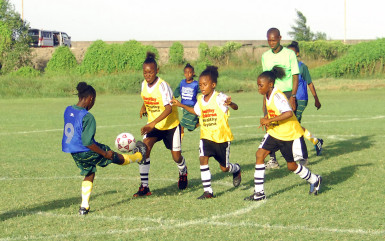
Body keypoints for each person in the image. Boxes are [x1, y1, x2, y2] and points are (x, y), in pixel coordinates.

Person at [62, 82, 147, 215]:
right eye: (94, 100)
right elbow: (88, 142)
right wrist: (104, 153)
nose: (93, 103)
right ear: (90, 98)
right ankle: (138, 156)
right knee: (111, 154)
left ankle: (84, 207)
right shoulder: (88, 117)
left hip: (73, 151)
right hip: (85, 149)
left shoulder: (68, 109)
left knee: (89, 172)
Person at [244, 67, 322, 201]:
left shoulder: (278, 96)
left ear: (270, 85)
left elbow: (288, 113)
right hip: (275, 133)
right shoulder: (267, 95)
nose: (258, 88)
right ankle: (259, 192)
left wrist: (269, 120)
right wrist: (268, 122)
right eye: (257, 85)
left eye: (261, 85)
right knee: (260, 155)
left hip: (288, 134)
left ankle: (315, 179)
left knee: (291, 166)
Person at [171, 66, 242, 199]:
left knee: (224, 168)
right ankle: (208, 191)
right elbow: (196, 111)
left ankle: (236, 169)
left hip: (221, 138)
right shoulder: (200, 100)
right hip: (206, 137)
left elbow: (235, 107)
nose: (202, 87)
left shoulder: (220, 97)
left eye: (205, 84)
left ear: (213, 85)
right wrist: (181, 105)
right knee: (203, 159)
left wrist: (230, 104)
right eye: (201, 85)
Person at [261, 27, 322, 169]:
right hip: (271, 95)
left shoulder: (289, 54)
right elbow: (265, 79)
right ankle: (273, 160)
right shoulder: (265, 56)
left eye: (274, 40)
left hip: (287, 94)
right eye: (269, 40)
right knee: (269, 125)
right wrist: (265, 99)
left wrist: (293, 96)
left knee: (293, 125)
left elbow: (295, 76)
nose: (271, 42)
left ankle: (303, 157)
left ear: (280, 38)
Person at [136, 52, 188, 197]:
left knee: (176, 157)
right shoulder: (143, 85)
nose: (147, 75)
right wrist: (143, 106)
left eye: (150, 72)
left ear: (157, 71)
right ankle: (144, 187)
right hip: (155, 126)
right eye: (145, 72)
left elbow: (169, 108)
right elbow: (148, 98)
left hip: (171, 125)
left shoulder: (163, 86)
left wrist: (152, 123)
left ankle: (183, 171)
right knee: (144, 149)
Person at [287, 41, 323, 157]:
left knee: (294, 124)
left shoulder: (302, 67)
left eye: (292, 53)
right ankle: (316, 141)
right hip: (289, 99)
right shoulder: (286, 67)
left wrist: (316, 99)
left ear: (297, 54)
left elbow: (310, 83)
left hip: (301, 99)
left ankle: (305, 147)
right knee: (293, 124)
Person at [173, 63, 200, 139]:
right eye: (186, 72)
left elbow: (203, 91)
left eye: (190, 72)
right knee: (190, 128)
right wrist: (173, 97)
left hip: (192, 107)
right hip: (184, 107)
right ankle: (200, 121)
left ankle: (178, 146)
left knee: (181, 126)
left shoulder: (196, 84)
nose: (187, 74)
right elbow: (177, 91)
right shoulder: (182, 82)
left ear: (193, 73)